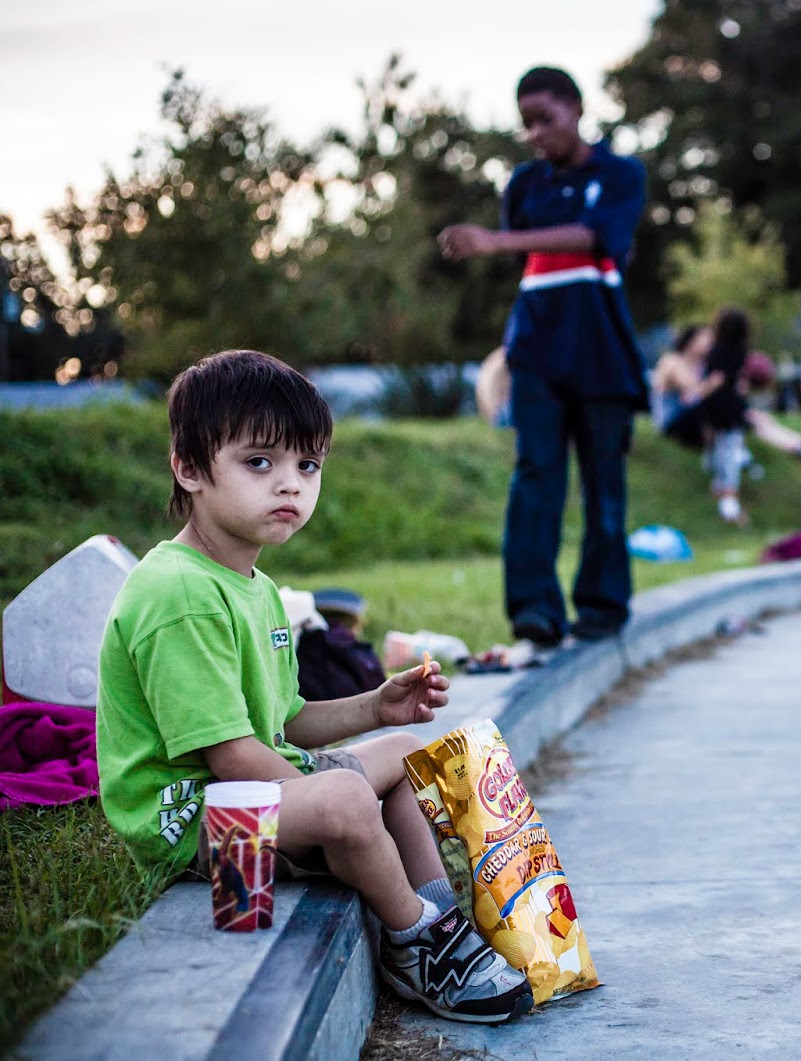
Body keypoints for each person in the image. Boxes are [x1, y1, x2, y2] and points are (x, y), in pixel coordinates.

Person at [96, 350, 532, 1024]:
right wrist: (336, 800)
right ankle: (415, 941)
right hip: (193, 826)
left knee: (408, 754)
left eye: (307, 465)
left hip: (249, 794)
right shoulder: (177, 593)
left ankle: (436, 911)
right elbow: (233, 758)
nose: (289, 485)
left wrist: (375, 706)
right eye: (259, 462)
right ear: (189, 469)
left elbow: (283, 722)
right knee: (348, 799)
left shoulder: (259, 589)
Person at [439, 66, 648, 646]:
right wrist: (506, 245)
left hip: (602, 353)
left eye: (545, 120)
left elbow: (599, 237)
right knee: (536, 476)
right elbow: (533, 264)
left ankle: (602, 604)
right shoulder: (524, 186)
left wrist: (494, 241)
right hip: (536, 351)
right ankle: (534, 609)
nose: (534, 134)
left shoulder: (621, 174)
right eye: (526, 124)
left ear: (576, 109)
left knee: (604, 482)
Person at [698, 308, 754, 525]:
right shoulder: (739, 352)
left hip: (715, 404)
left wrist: (699, 393)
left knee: (719, 446)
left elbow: (716, 379)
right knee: (729, 449)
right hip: (730, 405)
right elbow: (730, 381)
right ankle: (729, 500)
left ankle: (719, 487)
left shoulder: (715, 350)